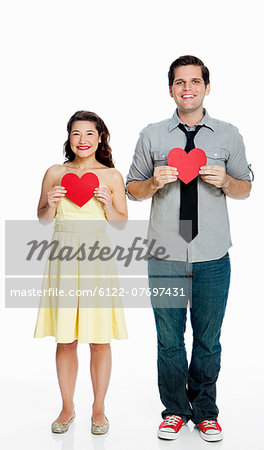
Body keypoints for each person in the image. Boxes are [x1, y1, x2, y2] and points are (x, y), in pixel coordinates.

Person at [126, 55, 252, 442]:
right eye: (180, 83)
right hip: (165, 254)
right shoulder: (152, 135)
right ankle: (175, 411)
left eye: (195, 82)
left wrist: (227, 181)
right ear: (171, 90)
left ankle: (206, 410)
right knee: (168, 338)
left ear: (206, 87)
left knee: (208, 339)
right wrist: (154, 183)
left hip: (212, 254)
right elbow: (132, 187)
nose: (188, 89)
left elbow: (246, 187)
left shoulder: (229, 135)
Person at [34, 110, 128, 434]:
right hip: (63, 258)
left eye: (90, 133)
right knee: (66, 338)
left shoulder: (112, 176)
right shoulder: (55, 172)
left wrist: (109, 204)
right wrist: (48, 202)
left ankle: (98, 409)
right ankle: (67, 407)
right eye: (77, 133)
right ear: (69, 137)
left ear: (100, 137)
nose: (83, 140)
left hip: (97, 262)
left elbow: (121, 223)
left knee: (99, 340)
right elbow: (43, 217)